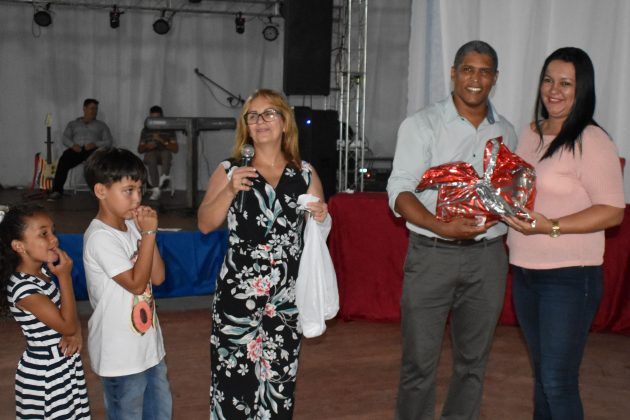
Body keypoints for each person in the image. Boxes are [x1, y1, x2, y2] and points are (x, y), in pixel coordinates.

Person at [386, 40, 517, 420]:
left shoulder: (506, 131)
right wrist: (438, 225)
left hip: (488, 258)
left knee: (473, 365)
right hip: (432, 255)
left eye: (485, 71)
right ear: (454, 73)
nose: (476, 79)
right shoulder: (421, 124)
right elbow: (400, 189)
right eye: (468, 69)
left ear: (495, 78)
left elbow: (506, 191)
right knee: (418, 364)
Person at [504, 47, 625, 420]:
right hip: (525, 272)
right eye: (548, 80)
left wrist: (552, 226)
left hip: (570, 277)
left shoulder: (592, 140)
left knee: (558, 381)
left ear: (581, 88)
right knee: (543, 377)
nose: (553, 90)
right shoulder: (529, 133)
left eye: (565, 83)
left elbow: (613, 211)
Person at [197, 88, 329, 419]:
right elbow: (205, 224)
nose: (260, 121)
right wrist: (230, 189)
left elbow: (317, 232)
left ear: (285, 122)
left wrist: (322, 216)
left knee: (279, 387)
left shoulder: (305, 173)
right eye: (253, 116)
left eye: (269, 113)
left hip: (286, 299)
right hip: (238, 296)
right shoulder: (230, 169)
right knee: (233, 385)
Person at [82, 147, 173, 419]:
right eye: (128, 191)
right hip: (119, 355)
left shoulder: (132, 226)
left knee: (159, 413)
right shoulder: (100, 237)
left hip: (149, 349)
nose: (137, 198)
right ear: (101, 191)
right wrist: (148, 233)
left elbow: (158, 277)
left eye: (139, 190)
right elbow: (136, 284)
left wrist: (147, 234)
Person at [0, 204, 90, 418]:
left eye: (53, 231)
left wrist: (75, 334)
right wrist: (65, 277)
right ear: (19, 246)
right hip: (46, 372)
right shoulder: (24, 289)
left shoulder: (41, 273)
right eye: (44, 234)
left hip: (63, 364)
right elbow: (67, 324)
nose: (54, 239)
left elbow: (67, 317)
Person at [48, 98, 114, 200]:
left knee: (101, 163)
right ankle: (57, 191)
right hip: (77, 150)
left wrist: (95, 144)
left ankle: (99, 191)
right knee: (64, 159)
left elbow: (109, 142)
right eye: (92, 108)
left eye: (96, 109)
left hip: (93, 151)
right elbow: (65, 138)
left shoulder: (101, 125)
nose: (94, 111)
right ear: (84, 108)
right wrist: (72, 145)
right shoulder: (73, 124)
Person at [137, 105, 178, 201]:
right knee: (151, 156)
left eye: (157, 118)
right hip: (151, 154)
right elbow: (140, 149)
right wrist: (147, 146)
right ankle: (156, 188)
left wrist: (161, 140)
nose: (155, 121)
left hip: (164, 154)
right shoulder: (146, 130)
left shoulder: (169, 129)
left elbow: (175, 148)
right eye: (153, 118)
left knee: (166, 153)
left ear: (162, 117)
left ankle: (163, 180)